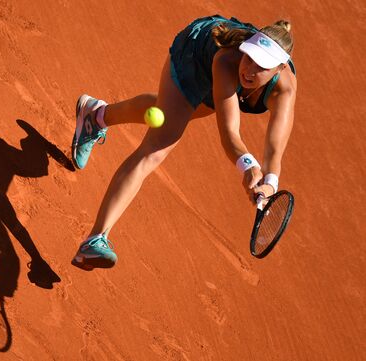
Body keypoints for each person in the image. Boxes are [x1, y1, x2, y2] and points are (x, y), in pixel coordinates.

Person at [70, 15, 297, 271]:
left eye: (262, 66)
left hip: (221, 81)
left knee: (165, 112)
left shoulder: (285, 90)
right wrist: (248, 166)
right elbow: (229, 134)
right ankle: (96, 239)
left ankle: (95, 115)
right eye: (249, 57)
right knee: (159, 145)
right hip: (194, 54)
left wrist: (269, 184)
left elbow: (275, 151)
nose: (250, 69)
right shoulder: (227, 60)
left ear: (280, 69)